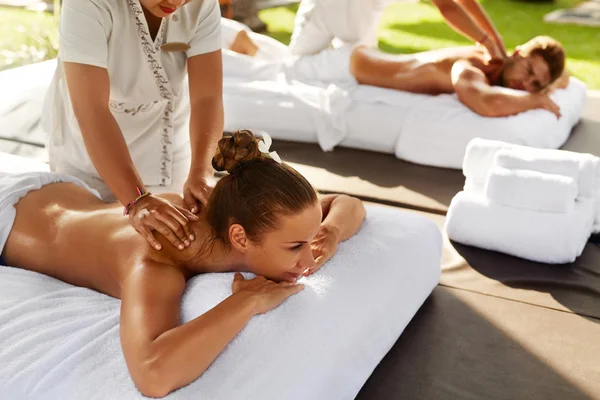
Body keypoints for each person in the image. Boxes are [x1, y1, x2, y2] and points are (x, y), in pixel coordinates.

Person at [0, 130, 367, 398]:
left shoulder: (225, 207)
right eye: (295, 247)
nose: (307, 260)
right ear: (239, 238)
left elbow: (348, 203)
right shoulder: (157, 256)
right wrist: (246, 301)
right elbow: (152, 374)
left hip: (52, 189)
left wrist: (329, 234)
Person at [42, 0, 224, 252]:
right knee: (95, 246)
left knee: (174, 242)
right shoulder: (88, 4)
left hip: (167, 147)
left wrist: (202, 172)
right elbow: (92, 109)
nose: (176, 2)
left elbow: (208, 97)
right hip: (91, 152)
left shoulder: (202, 4)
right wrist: (136, 199)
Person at [221, 20, 568, 118]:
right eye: (528, 70)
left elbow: (561, 77)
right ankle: (214, 32)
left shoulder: (494, 59)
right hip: (341, 68)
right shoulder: (473, 67)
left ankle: (237, 37)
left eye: (535, 84)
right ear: (518, 52)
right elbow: (484, 102)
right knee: (266, 73)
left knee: (273, 60)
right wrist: (534, 101)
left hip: (356, 58)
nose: (526, 84)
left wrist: (547, 86)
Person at [289, 0, 507, 61]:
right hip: (339, 7)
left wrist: (493, 38)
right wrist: (487, 41)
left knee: (349, 68)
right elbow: (447, 5)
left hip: (360, 10)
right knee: (295, 67)